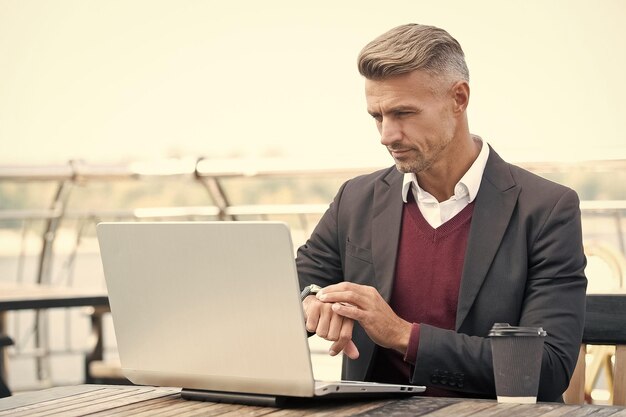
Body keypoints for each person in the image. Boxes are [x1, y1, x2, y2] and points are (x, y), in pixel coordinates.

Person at [296, 23, 587, 401]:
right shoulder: (356, 199)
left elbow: (545, 369)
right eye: (377, 117)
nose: (387, 135)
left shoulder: (547, 210)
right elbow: (296, 283)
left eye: (403, 113)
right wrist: (312, 300)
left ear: (459, 99)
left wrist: (403, 335)